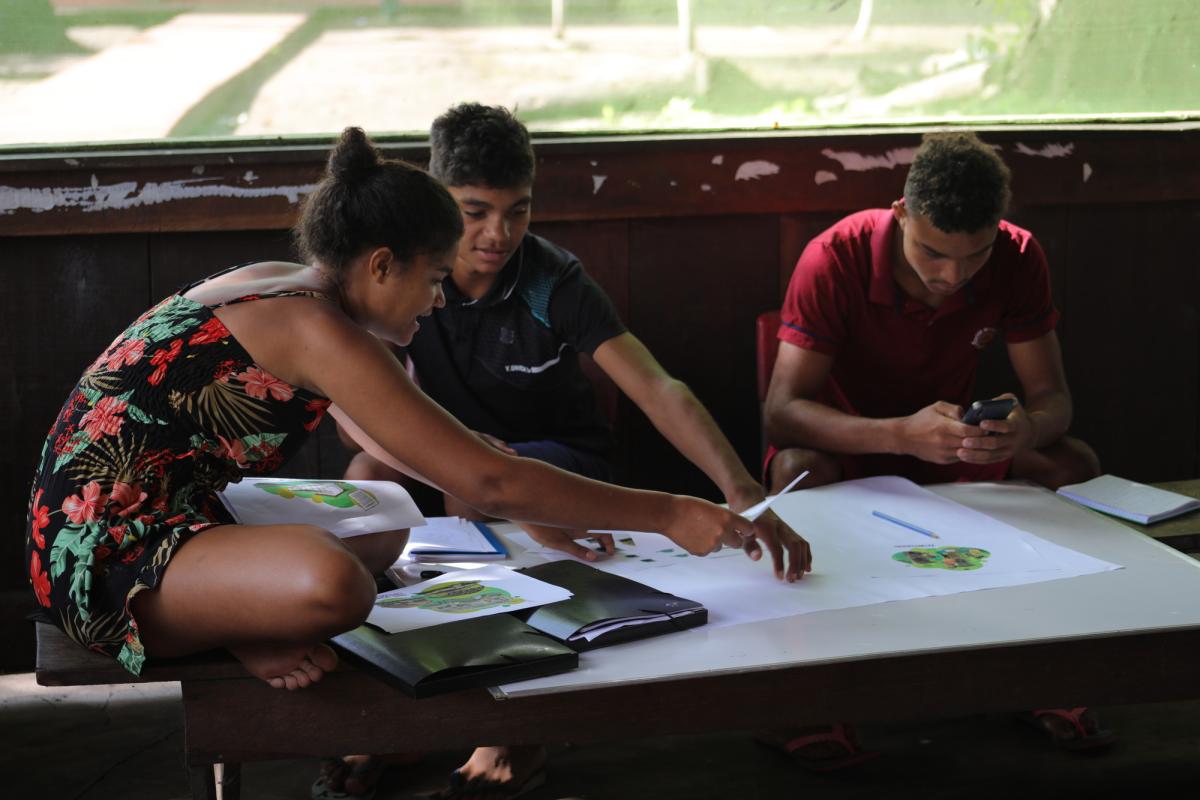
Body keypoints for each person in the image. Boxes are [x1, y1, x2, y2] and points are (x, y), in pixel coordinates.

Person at [24, 127, 755, 703]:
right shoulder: (319, 329)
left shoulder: (282, 285)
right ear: (380, 264)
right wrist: (669, 513)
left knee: (384, 527)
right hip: (101, 559)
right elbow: (490, 480)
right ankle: (246, 631)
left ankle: (245, 610)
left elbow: (419, 449)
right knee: (338, 587)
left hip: (176, 512)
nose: (437, 301)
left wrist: (534, 513)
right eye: (433, 278)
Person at [326, 102, 813, 798]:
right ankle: (397, 701)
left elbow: (657, 387)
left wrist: (742, 489)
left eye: (518, 211)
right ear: (436, 204)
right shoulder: (397, 271)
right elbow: (357, 424)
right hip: (461, 463)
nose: (498, 235)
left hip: (554, 460)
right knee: (367, 475)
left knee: (478, 491)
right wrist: (462, 454)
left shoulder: (550, 279)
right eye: (474, 212)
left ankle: (511, 722)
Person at [760, 130, 1109, 768]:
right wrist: (898, 433)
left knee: (1073, 465)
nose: (951, 276)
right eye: (932, 252)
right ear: (900, 213)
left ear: (998, 231)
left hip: (953, 450)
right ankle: (805, 697)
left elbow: (1052, 398)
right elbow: (782, 412)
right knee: (795, 471)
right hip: (852, 447)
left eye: (975, 256)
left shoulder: (1018, 255)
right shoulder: (834, 256)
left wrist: (1025, 430)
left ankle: (1052, 670)